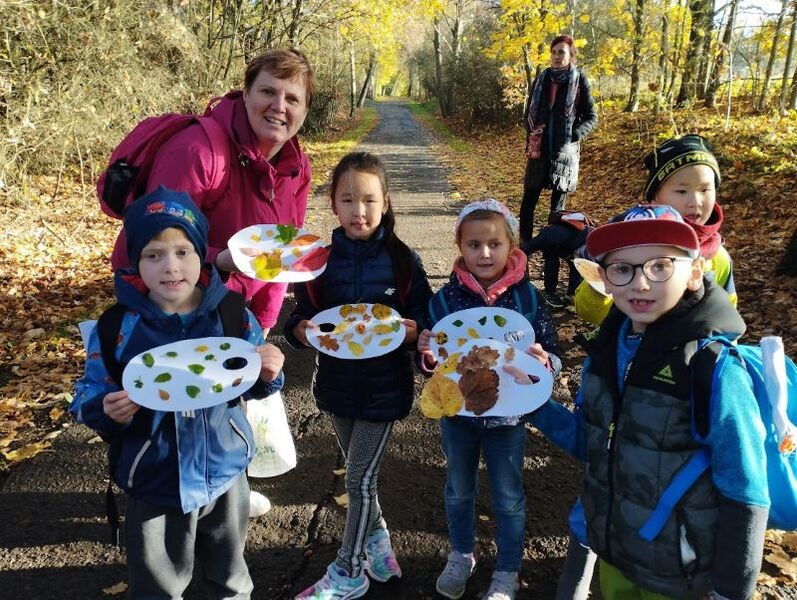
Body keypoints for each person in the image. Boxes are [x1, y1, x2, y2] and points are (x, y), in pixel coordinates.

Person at [109, 47, 314, 517]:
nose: (278, 106)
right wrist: (220, 258)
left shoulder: (296, 169)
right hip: (167, 295)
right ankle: (163, 505)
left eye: (292, 98)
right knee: (174, 399)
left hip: (228, 303)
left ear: (304, 111)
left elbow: (278, 261)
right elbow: (158, 239)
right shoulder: (200, 150)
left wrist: (257, 327)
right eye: (267, 91)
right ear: (245, 93)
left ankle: (225, 490)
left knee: (229, 393)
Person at [528, 204, 769, 599]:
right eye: (622, 268)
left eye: (660, 266)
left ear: (693, 274)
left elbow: (746, 488)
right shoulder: (604, 355)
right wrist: (532, 399)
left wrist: (730, 589)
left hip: (680, 573)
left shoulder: (715, 369)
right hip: (615, 553)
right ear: (604, 280)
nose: (640, 284)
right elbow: (590, 443)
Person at [70, 186, 286, 599]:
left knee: (231, 579)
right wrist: (104, 408)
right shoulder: (117, 328)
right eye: (154, 255)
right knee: (157, 587)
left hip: (225, 475)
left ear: (201, 253)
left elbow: (258, 384)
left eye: (183, 252)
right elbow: (87, 393)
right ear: (136, 261)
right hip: (155, 480)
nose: (171, 267)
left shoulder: (231, 315)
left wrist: (269, 371)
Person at [285, 152, 432, 600]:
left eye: (368, 200)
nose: (359, 211)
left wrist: (415, 332)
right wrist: (300, 332)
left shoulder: (404, 260)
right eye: (348, 199)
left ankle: (348, 571)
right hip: (334, 384)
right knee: (357, 472)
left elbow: (425, 315)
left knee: (358, 481)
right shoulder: (316, 261)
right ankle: (378, 537)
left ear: (385, 203)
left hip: (385, 388)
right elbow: (300, 316)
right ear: (333, 204)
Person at [417, 199, 561, 600]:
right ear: (460, 247)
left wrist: (546, 362)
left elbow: (551, 353)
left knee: (508, 496)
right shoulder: (443, 302)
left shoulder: (528, 300)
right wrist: (427, 355)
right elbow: (432, 365)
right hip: (459, 419)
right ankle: (462, 554)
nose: (484, 253)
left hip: (508, 422)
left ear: (511, 246)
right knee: (458, 490)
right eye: (474, 244)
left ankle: (508, 571)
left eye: (494, 244)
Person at [575, 134, 737, 325]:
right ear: (655, 198)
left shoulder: (719, 258)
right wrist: (600, 288)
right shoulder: (631, 246)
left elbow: (727, 314)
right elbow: (590, 312)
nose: (695, 202)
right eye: (681, 191)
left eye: (705, 190)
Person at [520, 34, 597, 243]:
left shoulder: (579, 80)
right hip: (539, 151)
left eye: (561, 52)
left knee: (556, 212)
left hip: (564, 154)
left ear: (570, 55)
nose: (556, 56)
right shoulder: (542, 78)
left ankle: (550, 252)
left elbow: (592, 117)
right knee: (527, 205)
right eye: (553, 52)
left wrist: (574, 133)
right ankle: (524, 250)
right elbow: (530, 112)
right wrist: (529, 125)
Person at [522, 209, 595, 308]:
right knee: (552, 263)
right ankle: (549, 293)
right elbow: (528, 248)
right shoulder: (552, 235)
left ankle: (572, 294)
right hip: (553, 244)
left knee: (578, 267)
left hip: (570, 246)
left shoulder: (592, 244)